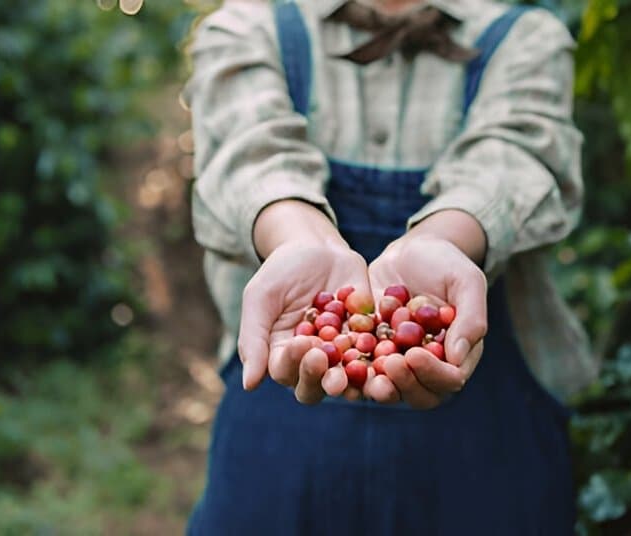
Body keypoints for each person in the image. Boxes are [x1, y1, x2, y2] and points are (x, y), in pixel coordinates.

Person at [183, 0, 595, 533]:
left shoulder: (524, 38)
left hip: (484, 458)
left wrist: (447, 238)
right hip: (279, 456)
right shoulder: (248, 28)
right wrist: (297, 236)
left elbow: (513, 156)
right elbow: (248, 152)